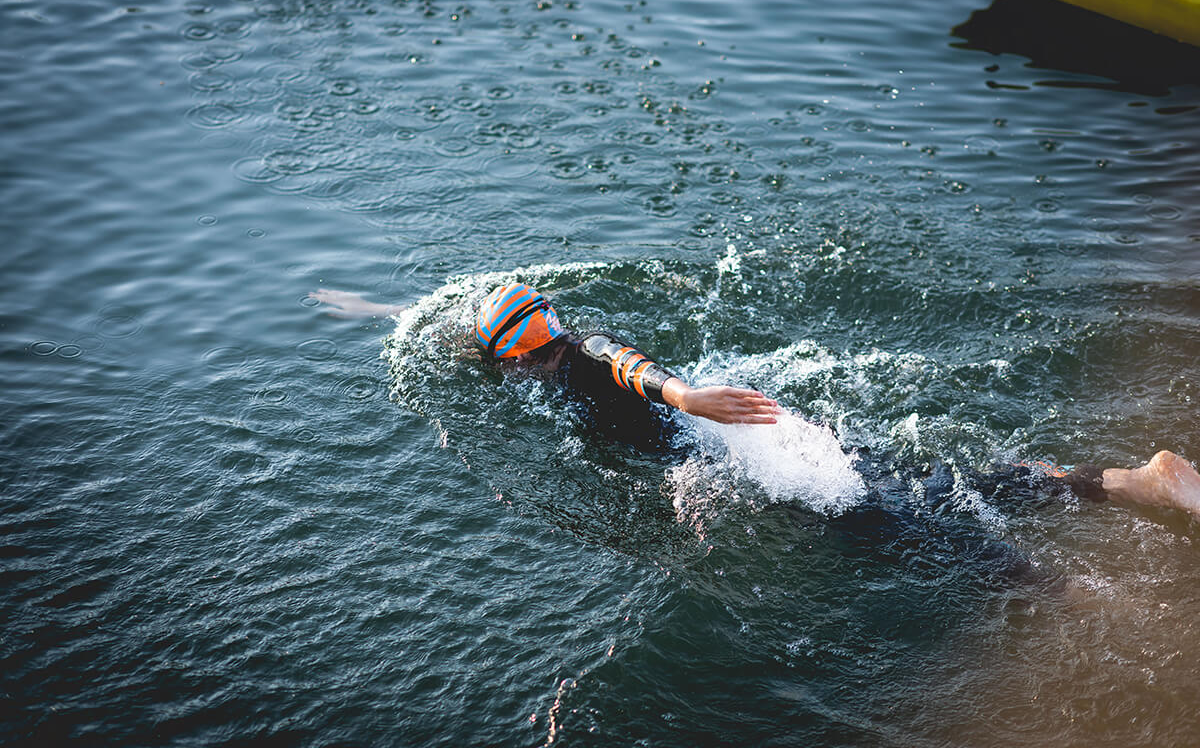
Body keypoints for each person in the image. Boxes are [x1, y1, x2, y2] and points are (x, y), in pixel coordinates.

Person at [309, 284, 1200, 522]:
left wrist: (689, 395)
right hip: (756, 440)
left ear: (523, 353)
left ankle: (1086, 573)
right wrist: (365, 309)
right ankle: (1127, 483)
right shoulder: (547, 352)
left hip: (734, 451)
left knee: (902, 518)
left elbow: (632, 368)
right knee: (932, 480)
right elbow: (461, 331)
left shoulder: (579, 359)